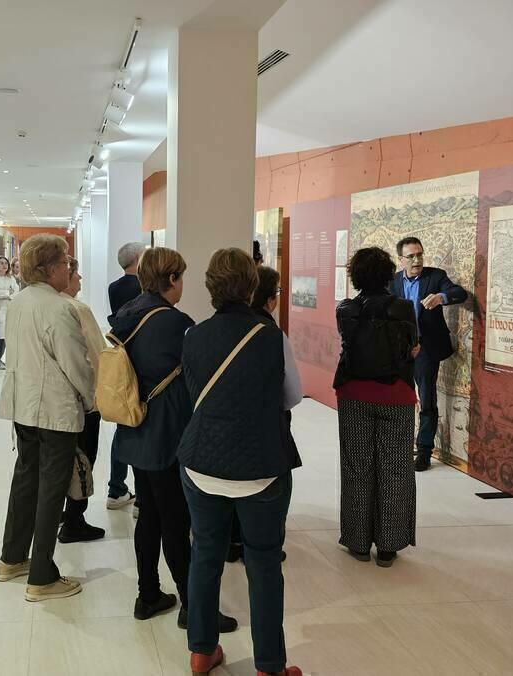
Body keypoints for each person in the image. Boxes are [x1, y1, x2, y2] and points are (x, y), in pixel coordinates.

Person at [179, 247, 303, 676]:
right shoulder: (272, 337)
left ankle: (201, 650)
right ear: (253, 286)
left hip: (200, 461)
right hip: (261, 466)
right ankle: (269, 665)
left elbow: (193, 395)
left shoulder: (193, 335)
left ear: (210, 287)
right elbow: (293, 398)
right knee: (264, 563)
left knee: (205, 555)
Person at [110, 248, 239, 631]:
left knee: (149, 512)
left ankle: (148, 593)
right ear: (170, 279)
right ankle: (192, 607)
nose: (183, 283)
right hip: (167, 431)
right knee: (176, 520)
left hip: (135, 427)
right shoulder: (176, 322)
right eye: (181, 276)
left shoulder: (128, 313)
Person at [0, 234, 95, 602]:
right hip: (54, 409)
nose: (69, 268)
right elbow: (76, 365)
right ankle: (41, 575)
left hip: (23, 406)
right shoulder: (60, 307)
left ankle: (11, 558)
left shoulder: (20, 301)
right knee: (52, 489)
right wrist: (91, 399)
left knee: (25, 481)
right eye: (66, 263)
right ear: (51, 268)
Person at [334, 246, 419, 566]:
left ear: (355, 276)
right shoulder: (404, 307)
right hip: (396, 394)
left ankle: (357, 542)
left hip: (354, 393)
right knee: (396, 468)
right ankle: (388, 546)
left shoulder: (345, 309)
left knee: (357, 466)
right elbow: (412, 349)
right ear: (387, 275)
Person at [227, 266, 294, 564]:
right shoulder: (273, 335)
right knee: (268, 487)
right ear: (268, 299)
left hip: (225, 427)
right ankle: (263, 545)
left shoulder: (212, 330)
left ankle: (233, 542)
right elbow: (292, 394)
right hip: (267, 427)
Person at [391, 236, 468, 471]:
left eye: (420, 255)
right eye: (411, 256)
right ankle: (400, 446)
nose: (417, 260)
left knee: (426, 400)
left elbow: (459, 293)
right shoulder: (393, 282)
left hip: (426, 349)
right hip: (401, 349)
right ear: (401, 259)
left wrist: (440, 297)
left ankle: (424, 450)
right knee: (399, 399)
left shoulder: (435, 277)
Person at [57, 257, 107, 544]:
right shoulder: (77, 309)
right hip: (83, 400)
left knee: (64, 460)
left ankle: (65, 512)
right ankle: (75, 519)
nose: (80, 280)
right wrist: (97, 396)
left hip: (55, 402)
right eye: (77, 274)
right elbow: (95, 356)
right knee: (84, 459)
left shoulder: (38, 306)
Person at [105, 241, 148, 511]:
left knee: (123, 427)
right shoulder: (141, 289)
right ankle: (142, 497)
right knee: (142, 429)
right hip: (142, 363)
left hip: (122, 360)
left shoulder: (114, 287)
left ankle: (116, 487)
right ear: (138, 260)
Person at [0, 255, 18, 370]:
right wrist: (8, 293)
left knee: (7, 335)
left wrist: (8, 294)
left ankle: (1, 359)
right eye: (1, 263)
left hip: (9, 309)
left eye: (6, 263)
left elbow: (16, 291)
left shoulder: (10, 278)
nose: (4, 265)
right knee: (0, 335)